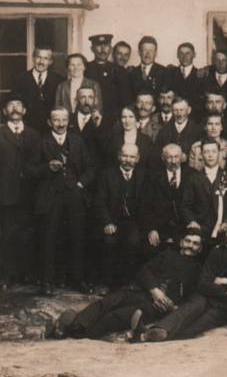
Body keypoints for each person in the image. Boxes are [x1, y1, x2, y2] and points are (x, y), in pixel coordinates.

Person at [47, 230, 204, 341]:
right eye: (188, 241)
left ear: (200, 248)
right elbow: (144, 271)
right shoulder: (168, 255)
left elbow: (190, 300)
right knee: (107, 303)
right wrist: (154, 290)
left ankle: (69, 330)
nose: (190, 246)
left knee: (116, 317)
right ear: (182, 242)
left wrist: (172, 307)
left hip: (156, 306)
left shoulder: (198, 270)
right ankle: (72, 325)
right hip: (142, 291)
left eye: (195, 244)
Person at [134, 219, 227, 341]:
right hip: (208, 296)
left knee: (198, 326)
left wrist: (226, 282)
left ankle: (149, 335)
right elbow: (204, 283)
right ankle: (159, 329)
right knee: (187, 310)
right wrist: (226, 291)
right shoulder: (217, 252)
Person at [27, 106, 95, 295]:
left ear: (69, 121)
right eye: (56, 120)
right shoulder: (41, 142)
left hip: (74, 195)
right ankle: (47, 282)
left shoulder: (77, 141)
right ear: (50, 122)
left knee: (77, 237)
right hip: (50, 196)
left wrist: (81, 184)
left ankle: (77, 279)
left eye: (64, 120)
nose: (60, 124)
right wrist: (47, 168)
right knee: (49, 238)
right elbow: (30, 170)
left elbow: (90, 167)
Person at [0, 93, 41, 290]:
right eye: (10, 105)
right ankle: (7, 276)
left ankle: (25, 273)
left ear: (25, 111)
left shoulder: (34, 135)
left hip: (29, 194)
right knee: (8, 234)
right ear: (4, 111)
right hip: (6, 194)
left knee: (27, 234)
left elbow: (38, 165)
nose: (15, 108)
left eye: (19, 105)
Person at [94, 143, 149, 286]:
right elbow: (99, 202)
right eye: (125, 156)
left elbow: (147, 205)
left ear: (137, 158)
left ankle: (127, 284)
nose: (128, 160)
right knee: (109, 242)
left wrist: (145, 227)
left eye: (132, 157)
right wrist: (107, 222)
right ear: (119, 156)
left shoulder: (143, 175)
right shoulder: (107, 175)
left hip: (133, 222)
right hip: (112, 221)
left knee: (134, 242)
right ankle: (107, 284)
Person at [180, 139, 227, 244]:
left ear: (219, 153)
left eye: (213, 151)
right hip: (200, 230)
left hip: (223, 230)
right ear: (201, 155)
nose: (210, 155)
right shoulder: (192, 178)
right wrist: (192, 221)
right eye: (206, 152)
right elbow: (185, 205)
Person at [142, 144, 190, 248]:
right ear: (163, 158)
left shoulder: (192, 175)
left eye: (176, 157)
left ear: (182, 157)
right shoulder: (152, 177)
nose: (173, 161)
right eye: (169, 157)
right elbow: (145, 206)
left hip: (185, 226)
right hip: (160, 228)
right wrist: (151, 229)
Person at [12, 46, 65, 134]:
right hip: (27, 129)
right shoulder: (20, 79)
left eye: (45, 58)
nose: (41, 62)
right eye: (38, 57)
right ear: (33, 58)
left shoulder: (59, 80)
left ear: (50, 62)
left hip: (52, 130)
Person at [85, 33, 131, 121]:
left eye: (106, 45)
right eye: (99, 46)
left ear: (110, 48)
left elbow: (126, 100)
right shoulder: (86, 69)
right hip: (90, 119)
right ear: (92, 49)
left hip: (114, 121)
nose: (103, 50)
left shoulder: (120, 71)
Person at [102, 105, 155, 170]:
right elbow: (109, 164)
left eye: (131, 117)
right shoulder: (113, 139)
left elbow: (150, 165)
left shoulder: (146, 141)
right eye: (124, 117)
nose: (127, 121)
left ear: (137, 119)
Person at [68, 86, 108, 163]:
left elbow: (105, 149)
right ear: (76, 100)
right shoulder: (68, 119)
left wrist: (98, 126)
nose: (87, 102)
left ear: (95, 100)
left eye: (90, 97)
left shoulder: (103, 121)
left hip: (94, 167)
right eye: (83, 97)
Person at [166, 42, 204, 118]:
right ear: (177, 55)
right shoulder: (170, 73)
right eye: (181, 53)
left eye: (188, 53)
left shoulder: (201, 76)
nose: (184, 57)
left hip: (195, 118)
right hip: (174, 117)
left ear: (194, 55)